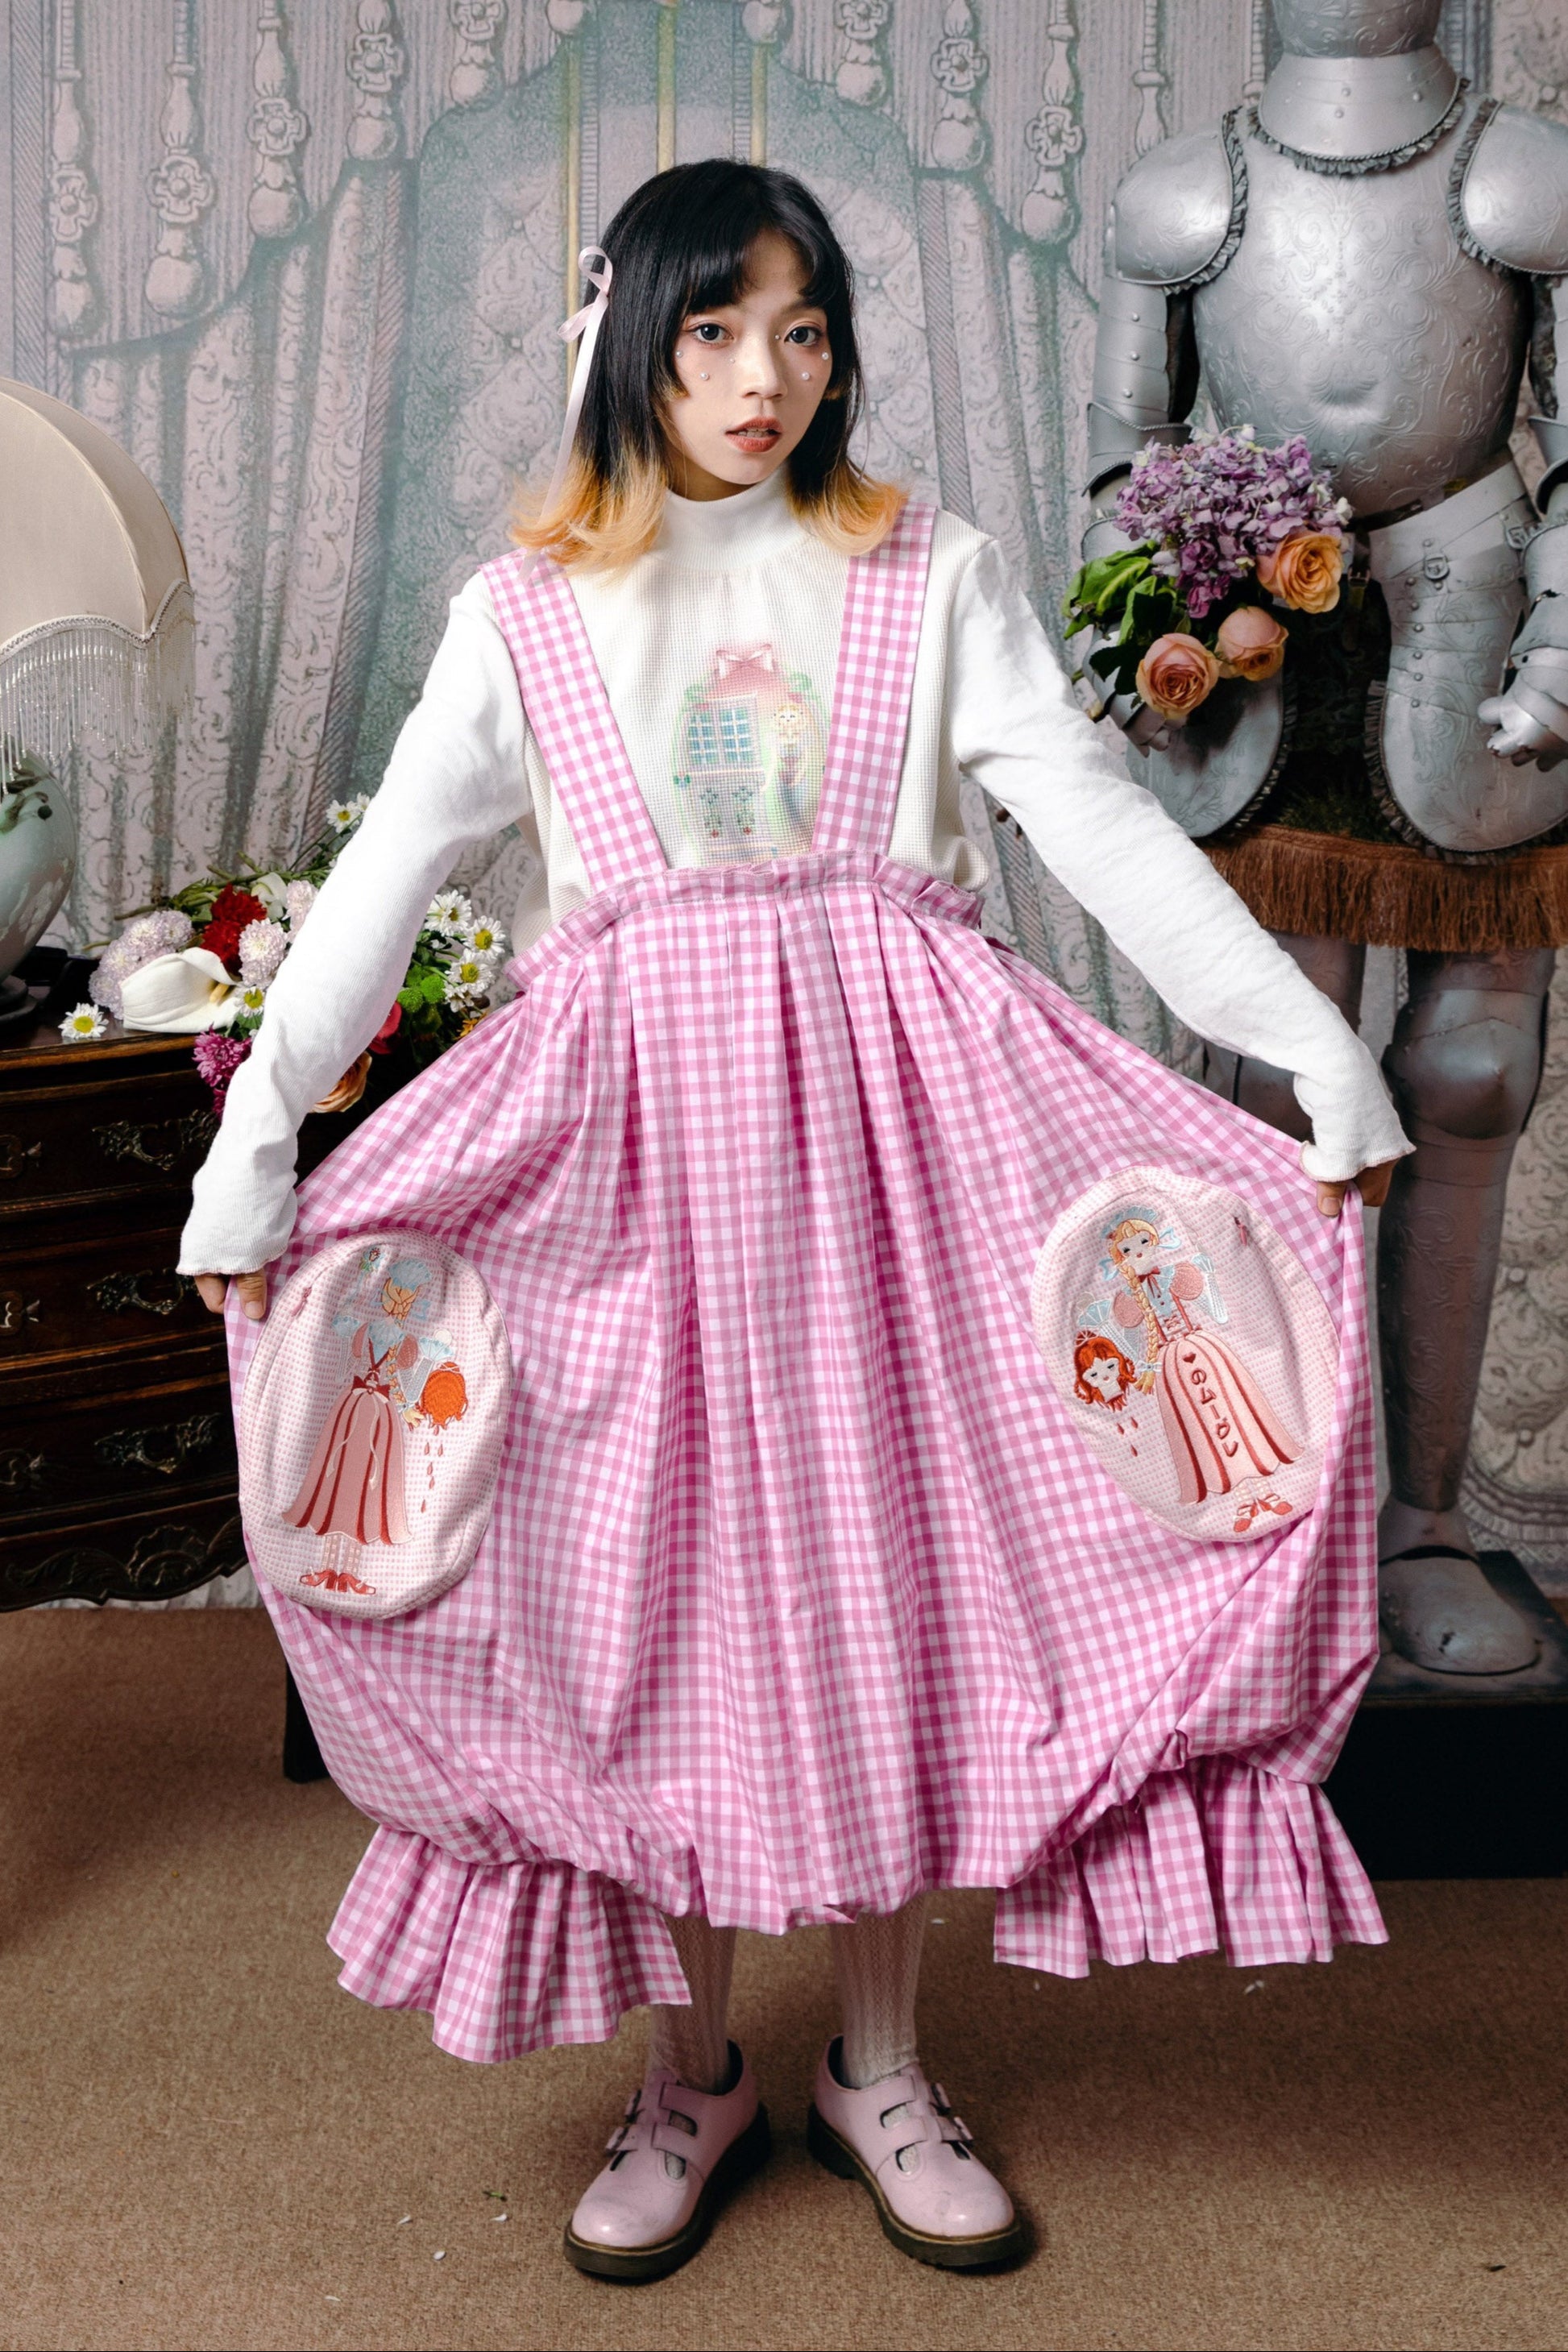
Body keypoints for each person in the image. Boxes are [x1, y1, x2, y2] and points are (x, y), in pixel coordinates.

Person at [180, 160, 1407, 2282]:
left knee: (885, 1588)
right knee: (656, 1612)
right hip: (627, 1183)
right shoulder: (529, 610)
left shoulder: (923, 569)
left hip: (894, 1170)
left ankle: (878, 2063)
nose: (767, 376)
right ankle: (693, 2075)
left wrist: (1311, 1051)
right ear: (626, 342)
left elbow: (1093, 826)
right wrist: (259, 1133)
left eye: (805, 328)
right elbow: (386, 889)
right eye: (716, 329)